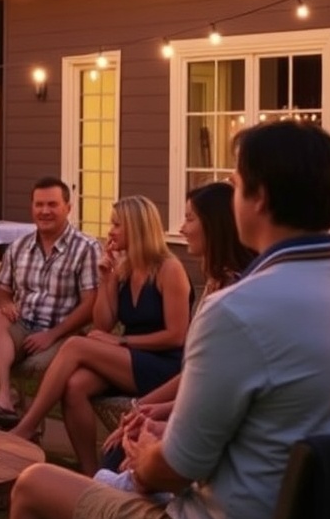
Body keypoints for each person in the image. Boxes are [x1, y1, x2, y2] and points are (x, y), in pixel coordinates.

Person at [8, 121, 330, 519]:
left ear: (260, 199)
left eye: (235, 186)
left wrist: (144, 457)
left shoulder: (239, 308)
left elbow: (176, 471)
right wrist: (170, 427)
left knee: (34, 485)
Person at [9, 195, 193, 475]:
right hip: (130, 361)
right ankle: (90, 472)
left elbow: (177, 336)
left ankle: (26, 426)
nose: (111, 231)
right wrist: (106, 279)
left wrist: (122, 341)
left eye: (117, 224)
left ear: (137, 227)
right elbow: (103, 324)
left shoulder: (169, 269)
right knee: (74, 387)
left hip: (164, 366)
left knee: (74, 345)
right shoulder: (125, 270)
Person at [99, 181, 256, 473]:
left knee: (120, 451)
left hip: (193, 401)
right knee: (109, 423)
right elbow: (200, 371)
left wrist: (153, 410)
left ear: (214, 225)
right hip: (185, 390)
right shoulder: (214, 282)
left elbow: (208, 375)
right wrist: (143, 409)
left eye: (189, 218)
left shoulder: (234, 293)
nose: (182, 229)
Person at [0, 176, 102, 430]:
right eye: (39, 205)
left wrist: (52, 335)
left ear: (68, 208)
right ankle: (4, 398)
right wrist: (5, 303)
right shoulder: (19, 247)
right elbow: (0, 292)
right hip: (22, 325)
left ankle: (13, 416)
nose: (45, 211)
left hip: (63, 331)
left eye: (52, 205)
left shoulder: (86, 248)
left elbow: (90, 305)